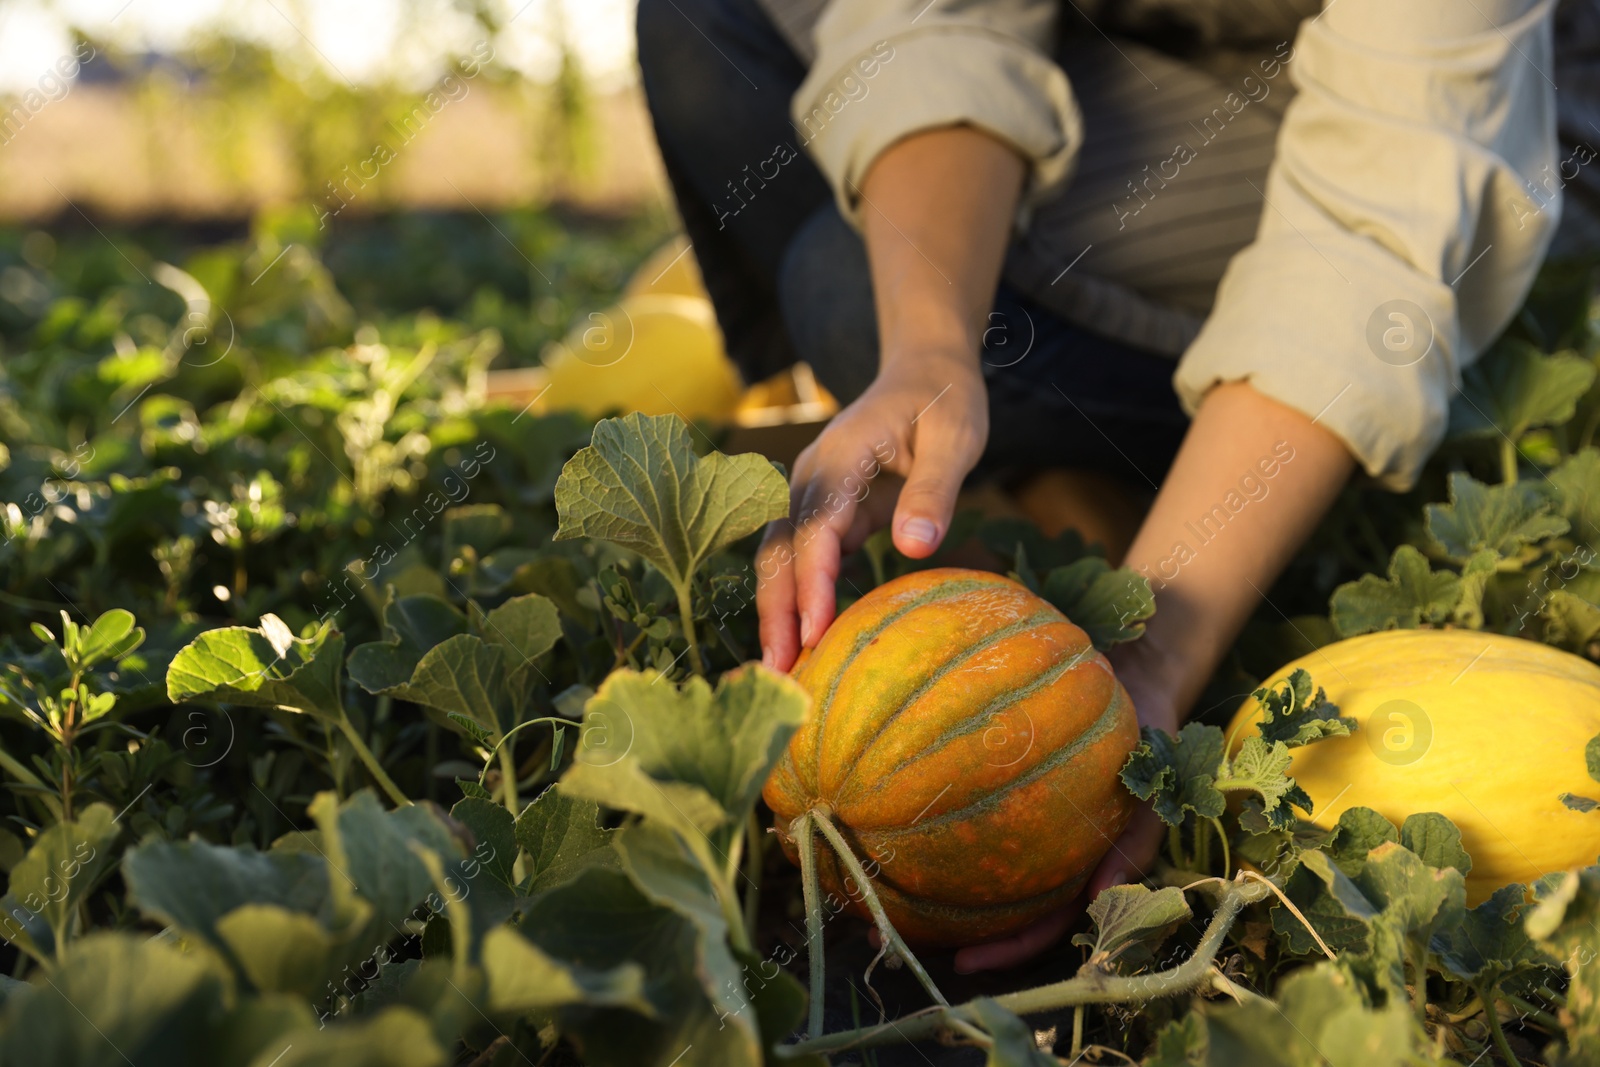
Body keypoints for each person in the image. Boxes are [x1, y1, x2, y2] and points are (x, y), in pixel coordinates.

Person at [636, 0, 1600, 971]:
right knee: (706, 25)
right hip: (1144, 64)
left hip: (1492, 130)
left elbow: (1382, 211)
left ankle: (1152, 469)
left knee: (842, 283)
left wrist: (1156, 642)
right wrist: (927, 350)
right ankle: (1073, 451)